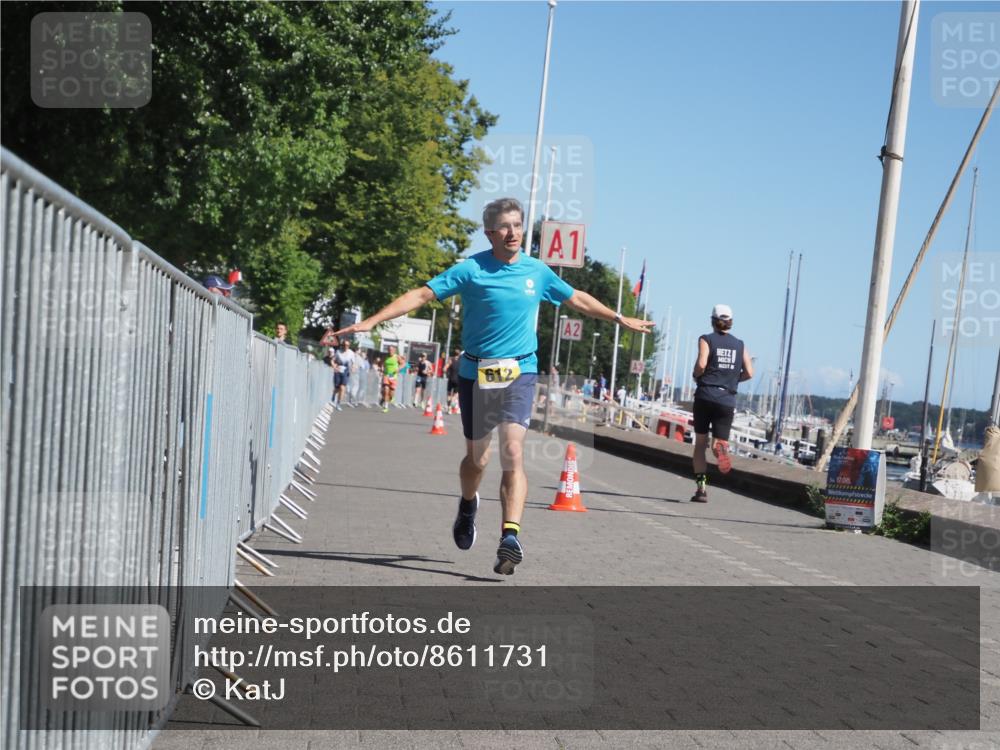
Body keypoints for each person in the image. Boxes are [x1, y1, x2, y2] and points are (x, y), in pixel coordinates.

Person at [335, 197, 651, 575]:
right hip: (476, 373)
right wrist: (372, 321)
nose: (513, 232)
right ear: (490, 233)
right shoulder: (471, 269)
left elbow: (577, 299)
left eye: (518, 225)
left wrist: (618, 318)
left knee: (514, 452)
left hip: (521, 371)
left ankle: (510, 537)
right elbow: (421, 294)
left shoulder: (538, 271)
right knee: (478, 460)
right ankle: (469, 504)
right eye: (504, 226)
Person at [689, 304, 753, 502]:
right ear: (731, 322)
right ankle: (721, 449)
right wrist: (732, 380)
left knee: (700, 444)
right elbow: (749, 372)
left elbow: (701, 364)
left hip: (706, 393)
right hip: (727, 398)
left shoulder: (706, 339)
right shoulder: (740, 345)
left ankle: (701, 489)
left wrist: (696, 375)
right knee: (718, 442)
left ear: (712, 320)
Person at [332, 340, 356, 411]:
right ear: (342, 345)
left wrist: (353, 368)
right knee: (337, 388)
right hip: (338, 370)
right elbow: (332, 360)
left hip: (346, 371)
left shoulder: (351, 353)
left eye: (347, 345)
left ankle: (338, 404)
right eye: (345, 345)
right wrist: (334, 367)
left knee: (342, 388)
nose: (346, 347)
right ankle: (333, 394)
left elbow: (353, 363)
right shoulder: (338, 352)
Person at [381, 345, 402, 412]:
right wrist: (382, 367)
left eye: (392, 350)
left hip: (393, 377)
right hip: (386, 375)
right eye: (389, 350)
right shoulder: (385, 356)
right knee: (386, 390)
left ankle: (389, 399)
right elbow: (382, 363)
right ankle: (386, 407)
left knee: (391, 394)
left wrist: (398, 369)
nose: (390, 351)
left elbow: (403, 364)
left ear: (394, 350)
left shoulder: (397, 357)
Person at [443, 347, 462, 412]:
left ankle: (449, 407)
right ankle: (451, 404)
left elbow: (444, 369)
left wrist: (447, 374)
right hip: (458, 380)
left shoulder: (451, 360)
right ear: (459, 354)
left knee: (448, 394)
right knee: (456, 394)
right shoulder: (461, 361)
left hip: (451, 379)